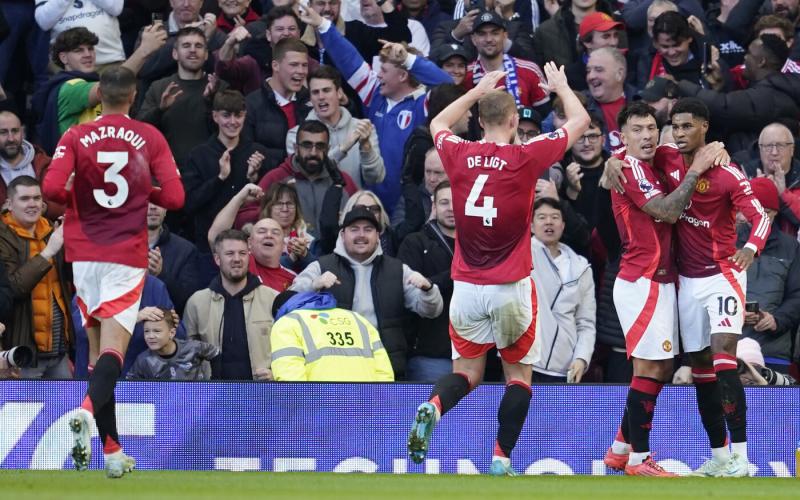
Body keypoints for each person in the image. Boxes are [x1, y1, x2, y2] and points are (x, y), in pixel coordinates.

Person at [407, 63, 589, 475]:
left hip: (466, 287)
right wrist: (560, 87)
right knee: (519, 376)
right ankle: (501, 458)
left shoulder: (457, 152)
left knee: (467, 373)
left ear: (478, 120)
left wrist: (473, 92)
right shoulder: (525, 156)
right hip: (512, 285)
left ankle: (434, 407)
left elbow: (437, 120)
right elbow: (580, 121)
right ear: (513, 121)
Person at [42, 66, 185, 478]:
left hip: (83, 254)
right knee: (114, 354)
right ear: (134, 95)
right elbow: (175, 197)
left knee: (96, 361)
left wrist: (81, 192)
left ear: (99, 94)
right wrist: (145, 189)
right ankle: (86, 413)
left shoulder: (75, 136)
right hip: (124, 253)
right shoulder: (150, 137)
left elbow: (51, 190)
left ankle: (112, 451)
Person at [601, 101, 720, 477]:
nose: (647, 135)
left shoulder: (658, 156)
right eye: (637, 130)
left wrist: (711, 154)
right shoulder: (630, 167)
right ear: (623, 137)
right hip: (642, 278)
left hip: (663, 279)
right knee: (650, 366)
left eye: (651, 127)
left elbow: (697, 150)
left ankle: (620, 450)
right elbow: (667, 211)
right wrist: (696, 171)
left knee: (662, 365)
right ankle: (639, 460)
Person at [296, 4, 453, 214]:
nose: (378, 75)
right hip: (372, 202)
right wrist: (324, 26)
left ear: (403, 75)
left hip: (409, 203)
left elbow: (448, 86)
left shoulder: (422, 104)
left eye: (384, 70)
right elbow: (350, 60)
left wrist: (408, 59)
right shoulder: (374, 96)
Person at [290, 205, 443, 378]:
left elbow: (431, 311)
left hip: (385, 368)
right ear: (342, 235)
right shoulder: (322, 266)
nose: (361, 235)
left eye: (368, 229)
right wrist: (313, 286)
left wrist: (428, 289)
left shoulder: (397, 269)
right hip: (333, 369)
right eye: (354, 229)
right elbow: (289, 302)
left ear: (377, 236)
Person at [32, 25, 167, 155]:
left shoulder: (91, 81)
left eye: (90, 49)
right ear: (63, 58)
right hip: (78, 169)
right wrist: (143, 51)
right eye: (79, 50)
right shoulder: (69, 87)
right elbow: (114, 83)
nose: (87, 54)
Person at [182, 89, 270, 260]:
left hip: (250, 248)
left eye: (238, 115)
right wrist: (220, 178)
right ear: (215, 117)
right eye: (226, 115)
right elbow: (189, 203)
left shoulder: (258, 153)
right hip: (208, 249)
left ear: (244, 116)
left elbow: (268, 201)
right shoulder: (198, 155)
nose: (233, 121)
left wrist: (253, 178)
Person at [0, 175, 73, 378]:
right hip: (22, 352)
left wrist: (72, 246)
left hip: (59, 349)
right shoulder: (2, 236)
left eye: (37, 198)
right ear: (9, 204)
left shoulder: (52, 230)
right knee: (21, 410)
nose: (32, 204)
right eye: (24, 199)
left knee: (64, 409)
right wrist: (48, 252)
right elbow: (13, 288)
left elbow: (72, 280)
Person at [183, 229, 277, 381]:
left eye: (242, 253)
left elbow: (288, 349)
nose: (237, 259)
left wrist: (276, 373)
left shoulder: (272, 298)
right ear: (217, 259)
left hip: (261, 393)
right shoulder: (197, 303)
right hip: (213, 395)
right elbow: (186, 354)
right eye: (229, 253)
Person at [238, 119, 359, 236]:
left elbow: (361, 217)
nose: (313, 152)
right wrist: (273, 213)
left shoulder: (342, 181)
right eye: (307, 145)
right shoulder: (275, 178)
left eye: (320, 146)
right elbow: (243, 218)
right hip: (286, 253)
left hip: (333, 254)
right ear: (296, 148)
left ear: (327, 149)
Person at [136, 26, 226, 168]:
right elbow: (140, 131)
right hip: (169, 171)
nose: (192, 50)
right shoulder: (158, 87)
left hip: (211, 171)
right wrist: (160, 110)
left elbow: (230, 130)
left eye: (198, 46)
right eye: (186, 45)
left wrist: (210, 101)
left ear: (206, 54)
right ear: (175, 54)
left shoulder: (219, 87)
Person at [736, 177, 800, 375]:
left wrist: (777, 320)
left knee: (774, 405)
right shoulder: (727, 242)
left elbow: (797, 295)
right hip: (729, 347)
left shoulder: (791, 247)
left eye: (767, 212)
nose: (760, 218)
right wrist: (735, 314)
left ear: (776, 213)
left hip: (774, 351)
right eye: (754, 212)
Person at [286, 66, 385, 189]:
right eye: (315, 92)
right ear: (311, 98)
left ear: (339, 93)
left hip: (352, 206)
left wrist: (366, 148)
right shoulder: (296, 135)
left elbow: (376, 178)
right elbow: (308, 174)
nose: (321, 96)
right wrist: (343, 148)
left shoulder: (362, 129)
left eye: (326, 90)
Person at [530, 197, 595, 383]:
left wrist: (581, 358)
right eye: (541, 217)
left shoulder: (581, 267)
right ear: (532, 226)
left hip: (563, 367)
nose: (549, 221)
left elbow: (586, 322)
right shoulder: (522, 255)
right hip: (524, 364)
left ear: (563, 225)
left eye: (555, 217)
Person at [397, 180, 456, 381]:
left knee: (475, 413)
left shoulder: (479, 246)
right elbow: (409, 290)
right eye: (445, 202)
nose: (451, 209)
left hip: (477, 353)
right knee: (430, 413)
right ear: (434, 206)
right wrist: (459, 273)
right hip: (430, 354)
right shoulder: (415, 242)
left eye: (458, 202)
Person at [269, 290, 394, 381]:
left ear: (279, 311)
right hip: (365, 409)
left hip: (320, 411)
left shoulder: (286, 323)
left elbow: (290, 380)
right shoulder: (357, 318)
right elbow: (385, 373)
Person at [207, 184, 298, 292]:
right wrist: (239, 198)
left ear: (283, 244)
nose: (269, 235)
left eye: (275, 232)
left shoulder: (293, 279)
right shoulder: (241, 261)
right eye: (262, 231)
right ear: (249, 243)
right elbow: (215, 237)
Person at [243, 37, 311, 170]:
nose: (301, 71)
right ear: (275, 66)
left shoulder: (310, 100)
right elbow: (247, 150)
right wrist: (289, 157)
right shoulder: (251, 104)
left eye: (304, 65)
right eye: (294, 65)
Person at [465, 10, 548, 113]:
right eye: (482, 34)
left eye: (495, 33)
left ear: (504, 36)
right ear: (473, 39)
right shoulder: (465, 75)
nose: (489, 39)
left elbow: (545, 118)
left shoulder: (530, 71)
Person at [126, 307, 219, 380]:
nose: (150, 336)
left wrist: (215, 382)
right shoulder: (143, 360)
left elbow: (217, 355)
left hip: (195, 402)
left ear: (172, 333)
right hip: (162, 403)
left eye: (157, 331)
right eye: (146, 331)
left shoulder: (193, 347)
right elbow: (129, 388)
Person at [0, 110, 63, 218]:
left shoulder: (46, 165)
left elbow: (67, 206)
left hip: (45, 232)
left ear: (23, 132)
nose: (11, 138)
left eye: (15, 131)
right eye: (3, 132)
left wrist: (45, 208)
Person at [146, 202, 202, 315]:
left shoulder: (186, 250)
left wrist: (161, 274)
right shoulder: (119, 246)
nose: (153, 206)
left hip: (168, 327)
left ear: (166, 209)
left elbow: (188, 303)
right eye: (146, 201)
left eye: (158, 200)